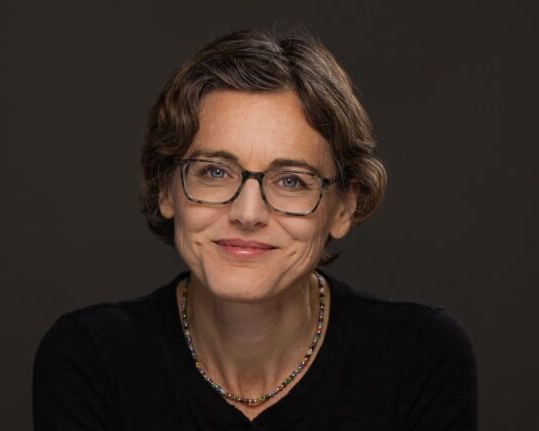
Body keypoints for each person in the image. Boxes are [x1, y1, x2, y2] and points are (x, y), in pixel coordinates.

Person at [33, 29, 478, 430]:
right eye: (213, 172)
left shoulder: (420, 358)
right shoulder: (92, 358)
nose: (248, 213)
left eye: (291, 181)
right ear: (165, 188)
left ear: (344, 207)